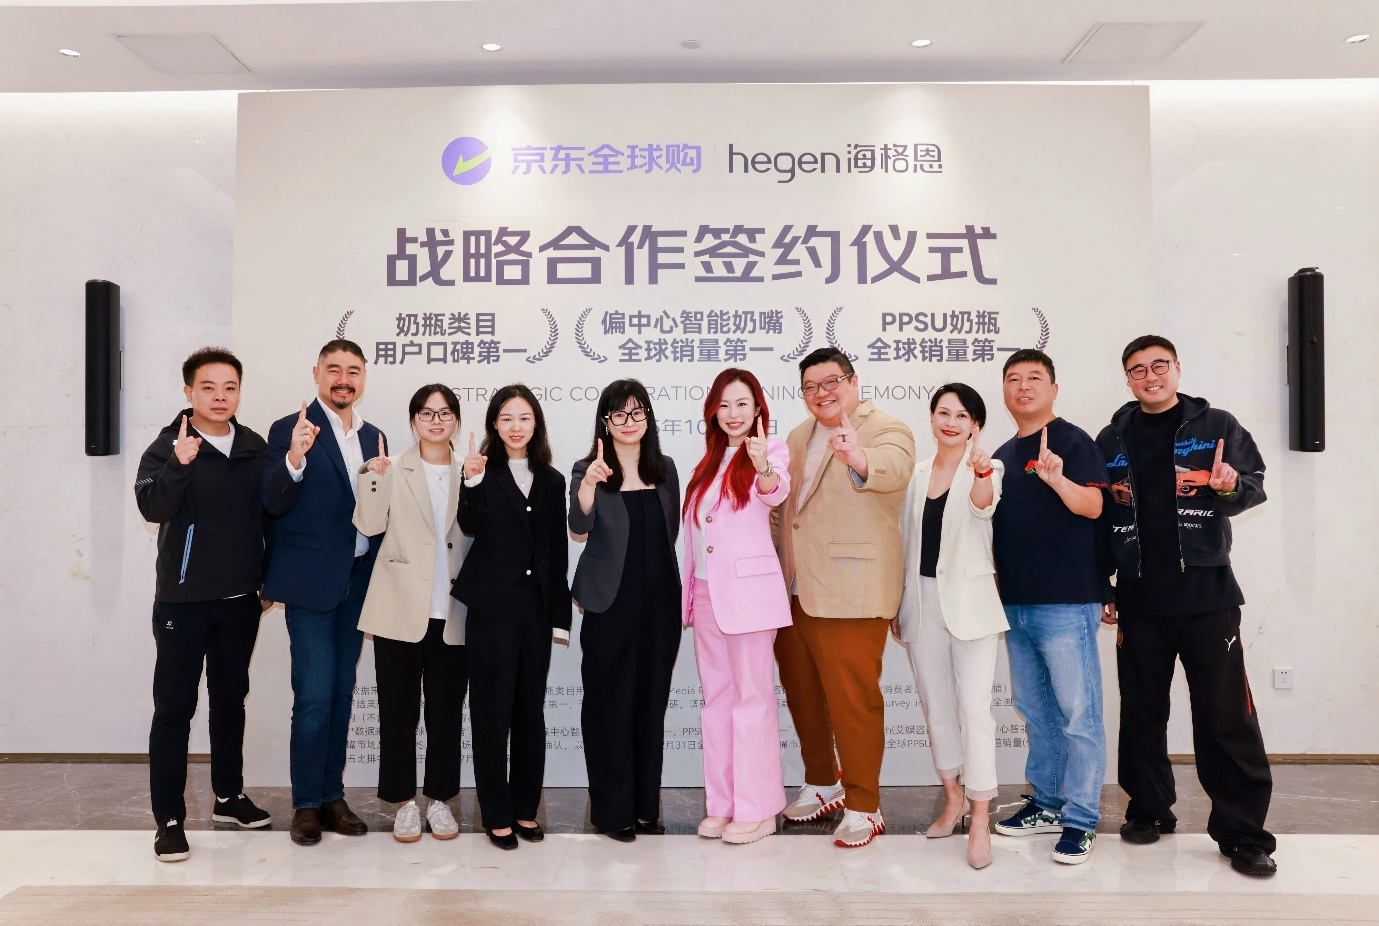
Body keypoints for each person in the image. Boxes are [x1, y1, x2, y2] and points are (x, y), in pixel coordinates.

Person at [1096, 335, 1276, 878]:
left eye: (1159, 366)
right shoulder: (1112, 437)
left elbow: (1252, 486)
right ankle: (1149, 809)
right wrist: (1104, 584)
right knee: (1142, 712)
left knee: (1226, 716)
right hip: (1140, 599)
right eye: (1137, 369)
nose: (1149, 376)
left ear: (1177, 369)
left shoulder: (1216, 424)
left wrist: (1228, 485)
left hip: (1208, 597)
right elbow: (1102, 515)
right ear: (1127, 378)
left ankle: (1243, 834)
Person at [774, 348, 916, 848]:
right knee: (803, 694)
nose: (821, 393)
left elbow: (894, 469)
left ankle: (864, 805)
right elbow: (785, 511)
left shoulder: (886, 429)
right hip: (792, 590)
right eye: (810, 386)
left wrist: (858, 456)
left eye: (831, 382)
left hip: (852, 590)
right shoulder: (796, 436)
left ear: (853, 381)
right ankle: (822, 783)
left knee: (854, 701)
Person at [135, 348, 272, 862]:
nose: (220, 396)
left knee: (230, 702)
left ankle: (228, 798)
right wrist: (179, 464)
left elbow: (270, 516)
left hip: (240, 601)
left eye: (229, 387)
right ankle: (169, 820)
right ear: (189, 392)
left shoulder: (254, 447)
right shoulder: (168, 445)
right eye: (208, 387)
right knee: (174, 709)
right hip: (183, 601)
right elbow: (152, 506)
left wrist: (267, 578)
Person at [262, 339, 387, 847]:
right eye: (333, 369)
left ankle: (333, 796)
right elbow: (271, 502)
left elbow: (378, 511)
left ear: (363, 378)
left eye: (352, 371)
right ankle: (307, 803)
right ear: (316, 374)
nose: (343, 379)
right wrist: (295, 458)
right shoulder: (289, 429)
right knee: (313, 696)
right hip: (310, 583)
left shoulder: (375, 436)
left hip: (359, 582)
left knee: (341, 692)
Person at [988, 348, 1107, 866]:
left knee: (1079, 715)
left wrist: (1057, 478)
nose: (1023, 387)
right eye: (1013, 379)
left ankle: (1081, 818)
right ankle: (1048, 803)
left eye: (1034, 378)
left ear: (1053, 389)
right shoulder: (1001, 454)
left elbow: (1094, 506)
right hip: (1014, 603)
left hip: (1066, 601)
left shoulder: (1074, 441)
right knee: (1036, 711)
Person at [452, 384, 570, 851]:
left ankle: (525, 809)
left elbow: (556, 552)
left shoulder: (552, 480)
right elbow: (470, 525)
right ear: (494, 425)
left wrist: (559, 614)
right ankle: (496, 814)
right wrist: (471, 481)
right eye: (506, 418)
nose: (515, 427)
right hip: (492, 609)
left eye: (524, 418)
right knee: (490, 712)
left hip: (534, 610)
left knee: (529, 713)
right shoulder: (481, 471)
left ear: (536, 423)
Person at [894, 383, 1005, 869]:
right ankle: (953, 797)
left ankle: (979, 820)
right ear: (932, 418)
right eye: (944, 412)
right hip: (922, 602)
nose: (951, 422)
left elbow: (984, 505)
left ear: (975, 424)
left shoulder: (989, 467)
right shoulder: (917, 473)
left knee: (975, 711)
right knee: (936, 706)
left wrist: (980, 471)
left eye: (962, 415)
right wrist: (899, 603)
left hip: (972, 604)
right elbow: (905, 539)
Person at [353, 384, 471, 843]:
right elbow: (369, 525)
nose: (436, 420)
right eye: (426, 412)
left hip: (453, 611)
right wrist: (372, 476)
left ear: (456, 420)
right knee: (397, 713)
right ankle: (403, 802)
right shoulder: (392, 466)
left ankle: (440, 801)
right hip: (399, 606)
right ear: (413, 420)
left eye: (444, 413)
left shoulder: (469, 469)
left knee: (446, 714)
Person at [681, 369, 792, 845]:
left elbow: (776, 490)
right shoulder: (707, 463)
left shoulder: (772, 451)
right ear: (713, 411)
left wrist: (763, 464)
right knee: (717, 704)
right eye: (724, 405)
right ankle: (723, 806)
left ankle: (758, 809)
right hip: (707, 596)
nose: (733, 413)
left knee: (752, 702)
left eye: (742, 403)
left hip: (749, 598)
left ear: (758, 408)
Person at [568, 380, 681, 842]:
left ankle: (644, 809)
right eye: (619, 414)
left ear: (648, 418)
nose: (629, 422)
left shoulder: (666, 468)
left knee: (650, 705)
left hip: (660, 603)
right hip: (608, 604)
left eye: (637, 413)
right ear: (605, 421)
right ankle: (612, 812)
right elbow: (578, 525)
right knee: (607, 706)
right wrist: (589, 486)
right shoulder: (587, 468)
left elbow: (671, 531)